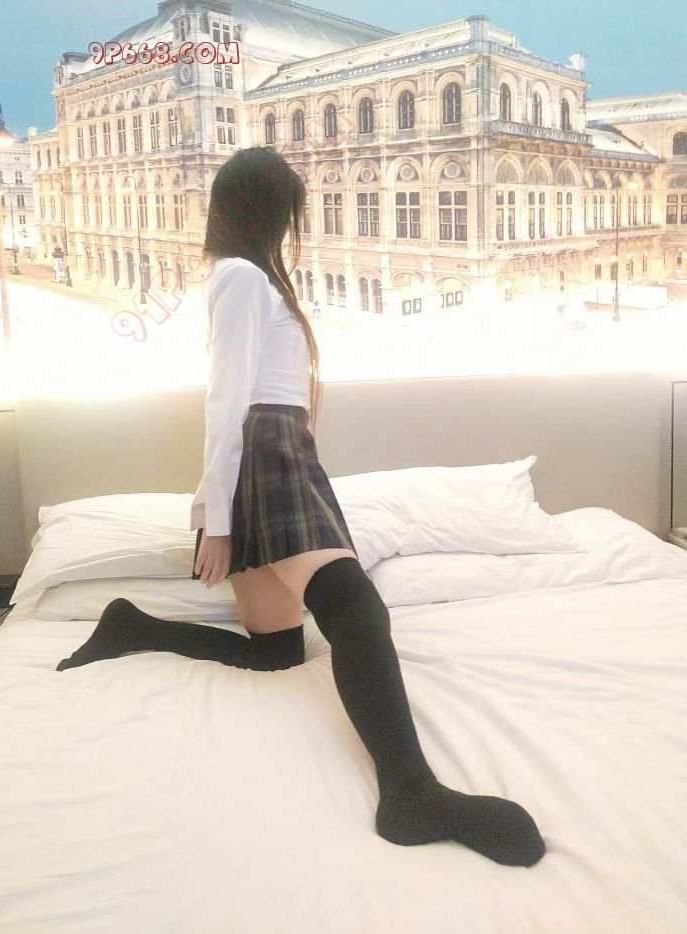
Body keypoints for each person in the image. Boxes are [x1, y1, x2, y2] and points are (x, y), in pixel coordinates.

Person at [55, 146, 545, 867]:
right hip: (269, 451)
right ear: (263, 209)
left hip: (276, 450)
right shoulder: (243, 276)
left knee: (278, 653)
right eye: (286, 209)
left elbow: (241, 398)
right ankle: (410, 791)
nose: (291, 222)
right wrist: (216, 521)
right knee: (356, 611)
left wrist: (223, 507)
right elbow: (225, 401)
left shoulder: (242, 276)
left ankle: (133, 625)